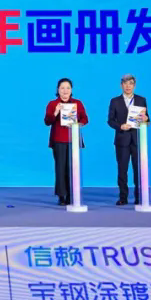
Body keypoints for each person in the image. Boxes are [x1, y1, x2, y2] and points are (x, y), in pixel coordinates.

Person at [44, 77, 89, 206]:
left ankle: (72, 194)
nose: (65, 90)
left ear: (71, 90)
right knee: (60, 168)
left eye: (68, 88)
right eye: (62, 88)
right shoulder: (53, 104)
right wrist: (56, 112)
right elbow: (47, 121)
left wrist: (79, 123)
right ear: (58, 90)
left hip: (73, 140)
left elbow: (85, 118)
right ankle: (62, 196)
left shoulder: (77, 103)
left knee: (72, 168)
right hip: (58, 140)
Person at [107, 73, 148, 206]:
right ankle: (123, 197)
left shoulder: (141, 100)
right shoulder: (115, 101)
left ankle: (139, 197)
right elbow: (110, 121)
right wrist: (120, 126)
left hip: (137, 140)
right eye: (125, 83)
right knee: (122, 170)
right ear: (121, 85)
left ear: (134, 85)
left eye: (131, 83)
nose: (128, 86)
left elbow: (147, 119)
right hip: (122, 139)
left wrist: (146, 119)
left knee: (138, 170)